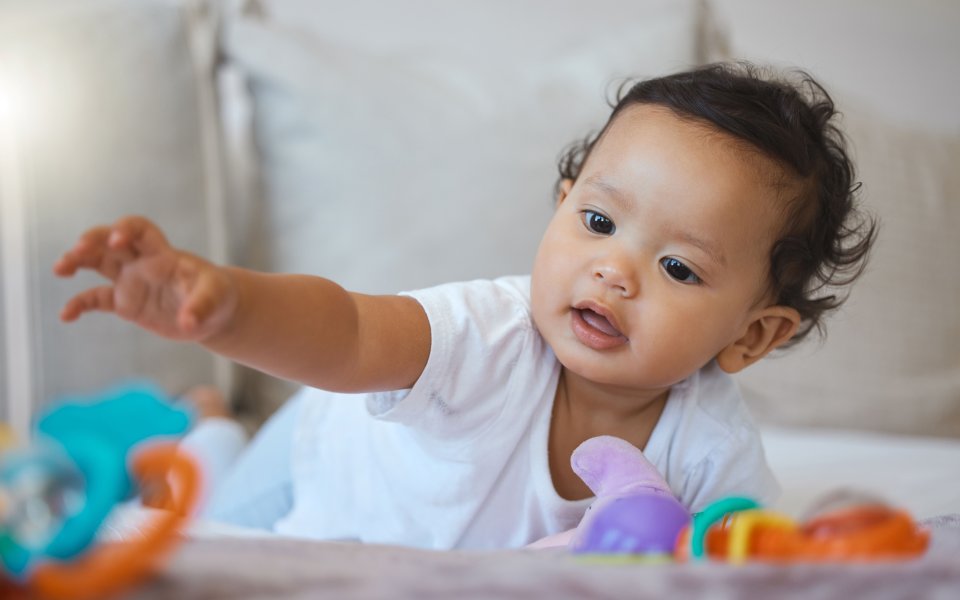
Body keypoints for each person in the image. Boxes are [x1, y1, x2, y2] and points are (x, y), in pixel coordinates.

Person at [53, 62, 876, 550]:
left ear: (753, 336)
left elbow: (733, 553)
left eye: (677, 268)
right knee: (205, 522)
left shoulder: (709, 449)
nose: (615, 272)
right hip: (323, 462)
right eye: (597, 222)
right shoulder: (487, 334)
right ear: (561, 204)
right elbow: (346, 333)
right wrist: (229, 305)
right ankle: (214, 429)